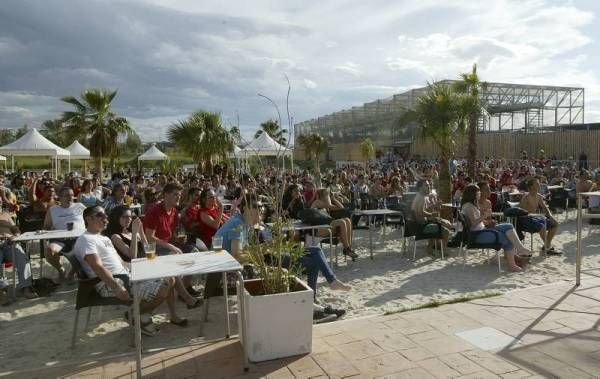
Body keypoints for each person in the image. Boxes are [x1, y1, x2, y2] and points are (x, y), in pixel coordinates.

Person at [74, 206, 187, 336]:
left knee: (169, 277)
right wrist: (116, 287)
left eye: (105, 214)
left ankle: (142, 314)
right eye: (100, 215)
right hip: (110, 283)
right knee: (163, 287)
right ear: (88, 219)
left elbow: (121, 263)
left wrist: (147, 268)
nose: (105, 218)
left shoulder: (104, 238)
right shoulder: (85, 239)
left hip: (125, 276)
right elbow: (97, 266)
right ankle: (135, 314)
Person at [214, 194, 351, 296]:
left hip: (248, 261)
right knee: (313, 261)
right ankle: (322, 290)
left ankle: (328, 284)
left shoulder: (244, 224)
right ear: (244, 208)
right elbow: (237, 256)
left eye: (262, 206)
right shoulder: (237, 224)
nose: (260, 210)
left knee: (315, 251)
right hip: (226, 273)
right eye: (256, 206)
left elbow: (245, 251)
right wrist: (262, 251)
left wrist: (265, 247)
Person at [143, 182, 203, 306]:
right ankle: (187, 298)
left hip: (167, 246)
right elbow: (149, 238)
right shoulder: (154, 211)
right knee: (172, 257)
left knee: (194, 252)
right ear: (165, 195)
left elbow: (171, 235)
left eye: (180, 195)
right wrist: (171, 245)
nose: (178, 197)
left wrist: (177, 239)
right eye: (175, 194)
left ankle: (184, 289)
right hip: (152, 249)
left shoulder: (174, 212)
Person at [461, 184, 531, 272]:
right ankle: (512, 265)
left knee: (508, 226)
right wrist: (484, 215)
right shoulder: (469, 206)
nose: (479, 193)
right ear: (473, 194)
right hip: (478, 235)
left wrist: (487, 222)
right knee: (507, 238)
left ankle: (519, 249)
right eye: (478, 192)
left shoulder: (470, 205)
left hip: (481, 231)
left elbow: (476, 223)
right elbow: (474, 223)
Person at [43, 186, 86, 282]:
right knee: (49, 251)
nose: (70, 197)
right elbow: (46, 226)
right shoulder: (53, 210)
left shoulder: (80, 206)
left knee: (82, 251)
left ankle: (71, 273)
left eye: (72, 195)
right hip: (60, 239)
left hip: (78, 239)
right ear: (60, 197)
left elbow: (91, 219)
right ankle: (61, 270)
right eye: (67, 195)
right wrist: (47, 230)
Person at [0, 195, 36, 303]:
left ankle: (25, 287)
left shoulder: (5, 215)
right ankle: (1, 290)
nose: (0, 203)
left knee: (22, 257)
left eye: (1, 202)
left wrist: (16, 235)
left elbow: (15, 228)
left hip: (9, 242)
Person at [311, 188, 357, 260]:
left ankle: (348, 248)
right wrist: (330, 199)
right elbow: (328, 204)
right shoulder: (317, 202)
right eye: (326, 194)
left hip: (326, 227)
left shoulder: (326, 205)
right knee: (341, 222)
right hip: (318, 229)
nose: (328, 196)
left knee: (347, 220)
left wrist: (334, 199)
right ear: (321, 196)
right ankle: (347, 249)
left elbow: (342, 208)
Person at [519, 178, 560, 255]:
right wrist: (533, 215)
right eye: (537, 184)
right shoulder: (526, 197)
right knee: (542, 226)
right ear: (531, 187)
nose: (539, 185)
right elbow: (522, 212)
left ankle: (546, 245)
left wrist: (551, 216)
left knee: (555, 224)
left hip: (535, 218)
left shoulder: (539, 196)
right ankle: (548, 247)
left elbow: (545, 208)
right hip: (527, 220)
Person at [410, 179, 452, 253]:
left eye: (429, 185)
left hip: (420, 224)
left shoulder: (420, 196)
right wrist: (432, 214)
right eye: (426, 185)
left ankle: (432, 246)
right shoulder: (422, 197)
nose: (429, 186)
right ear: (420, 188)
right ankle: (442, 250)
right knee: (446, 231)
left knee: (447, 223)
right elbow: (421, 212)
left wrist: (434, 206)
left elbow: (423, 210)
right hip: (422, 226)